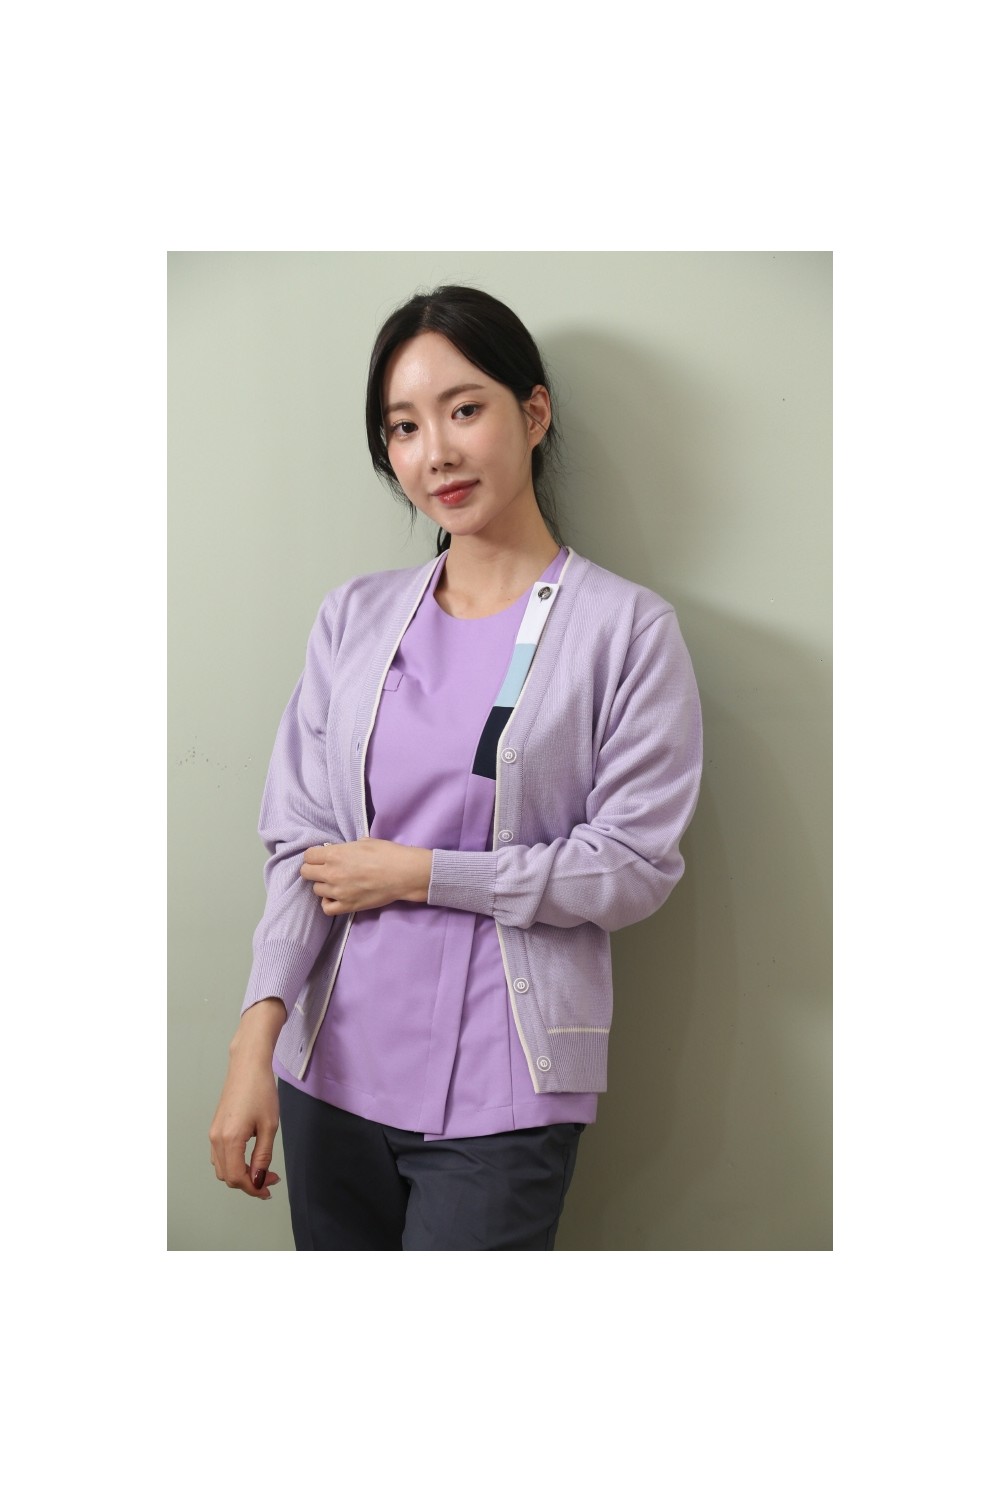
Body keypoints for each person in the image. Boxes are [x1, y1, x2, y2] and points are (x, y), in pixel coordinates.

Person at [209, 284, 703, 1250]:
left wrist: (424, 874)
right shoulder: (353, 619)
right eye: (403, 427)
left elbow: (633, 866)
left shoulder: (627, 632)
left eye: (464, 409)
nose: (434, 451)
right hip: (328, 1073)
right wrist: (253, 1040)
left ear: (534, 412)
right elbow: (301, 846)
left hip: (503, 1098)